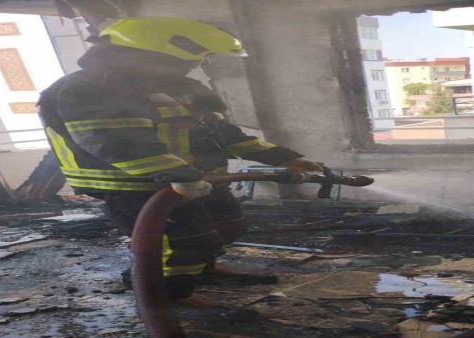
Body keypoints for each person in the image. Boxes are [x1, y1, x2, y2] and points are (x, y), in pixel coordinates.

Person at [38, 17, 326, 306]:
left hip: (193, 177)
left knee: (227, 224)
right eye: (186, 60)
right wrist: (177, 175)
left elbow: (223, 134)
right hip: (134, 183)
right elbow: (117, 143)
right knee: (182, 239)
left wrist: (287, 158)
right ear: (147, 54)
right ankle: (166, 294)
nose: (194, 66)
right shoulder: (91, 88)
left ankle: (202, 271)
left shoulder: (184, 88)